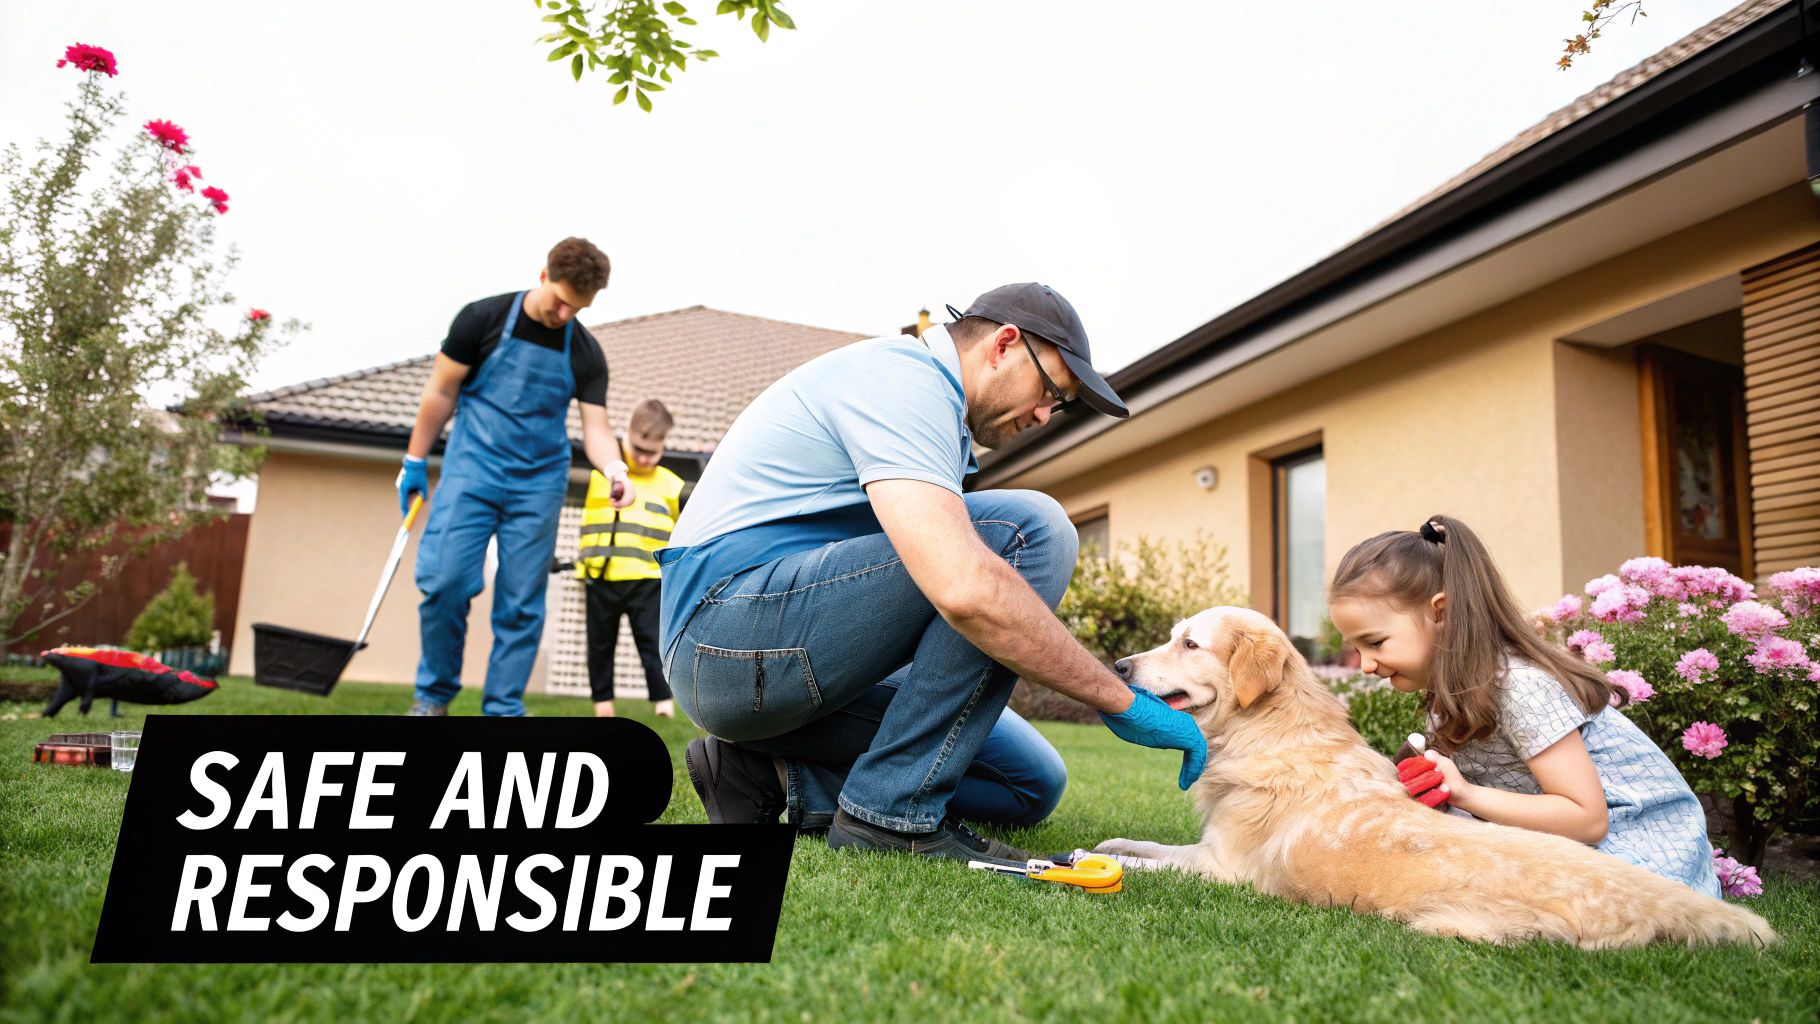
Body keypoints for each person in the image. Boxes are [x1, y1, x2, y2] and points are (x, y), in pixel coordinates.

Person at [658, 282, 1209, 864]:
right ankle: (889, 816)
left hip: (771, 655)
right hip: (725, 635)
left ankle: (762, 775)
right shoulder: (906, 381)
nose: (1047, 414)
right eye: (1052, 390)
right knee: (1030, 530)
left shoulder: (935, 416)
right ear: (1003, 345)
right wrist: (1120, 700)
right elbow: (966, 591)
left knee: (1027, 780)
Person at [1326, 514, 1721, 895]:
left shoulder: (1521, 687)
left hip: (1643, 854)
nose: (1364, 665)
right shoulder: (1448, 698)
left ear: (1440, 613)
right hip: (1566, 843)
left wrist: (1463, 794)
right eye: (1356, 648)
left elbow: (1587, 819)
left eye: (1375, 643)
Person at [398, 237, 633, 718]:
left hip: (538, 483)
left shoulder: (585, 351)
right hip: (472, 470)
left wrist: (614, 467)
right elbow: (441, 392)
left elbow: (596, 427)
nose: (567, 314)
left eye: (579, 308)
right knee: (445, 581)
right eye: (562, 301)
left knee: (522, 601)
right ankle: (433, 699)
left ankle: (503, 710)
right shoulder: (481, 319)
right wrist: (415, 461)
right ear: (543, 276)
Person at [577, 398, 683, 720]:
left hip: (646, 579)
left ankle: (663, 702)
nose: (642, 457)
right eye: (637, 447)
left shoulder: (671, 484)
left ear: (665, 445)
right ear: (626, 434)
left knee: (651, 642)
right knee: (599, 644)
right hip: (601, 576)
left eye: (651, 451)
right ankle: (603, 704)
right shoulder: (603, 473)